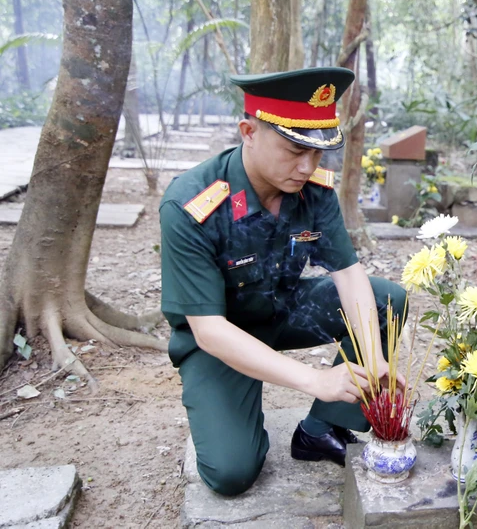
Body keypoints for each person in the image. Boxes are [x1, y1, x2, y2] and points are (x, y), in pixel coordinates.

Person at [159, 67, 405, 497]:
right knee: (231, 473)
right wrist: (313, 379)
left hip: (284, 310)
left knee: (387, 299)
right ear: (248, 131)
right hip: (221, 335)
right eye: (294, 150)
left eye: (318, 153)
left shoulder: (314, 191)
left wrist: (372, 356)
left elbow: (348, 274)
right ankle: (235, 412)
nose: (307, 166)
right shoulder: (191, 204)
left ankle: (321, 427)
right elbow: (209, 329)